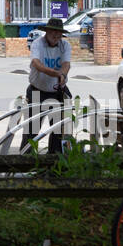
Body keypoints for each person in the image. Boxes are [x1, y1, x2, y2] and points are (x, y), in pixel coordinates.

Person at [23, 17, 72, 154]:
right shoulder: (38, 44)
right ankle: (25, 162)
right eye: (53, 32)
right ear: (47, 31)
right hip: (37, 90)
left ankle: (54, 163)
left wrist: (62, 74)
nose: (56, 35)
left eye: (58, 32)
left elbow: (66, 64)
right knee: (32, 130)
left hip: (56, 92)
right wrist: (56, 74)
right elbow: (37, 64)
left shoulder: (65, 46)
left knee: (58, 130)